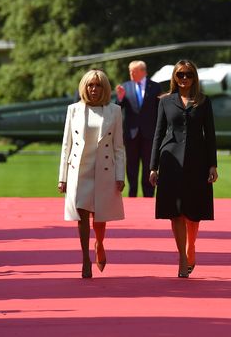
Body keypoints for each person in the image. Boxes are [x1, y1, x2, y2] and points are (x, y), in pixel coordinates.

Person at [149, 60, 217, 278]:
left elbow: (211, 135)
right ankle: (181, 257)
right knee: (176, 212)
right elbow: (158, 134)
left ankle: (191, 246)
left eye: (188, 75)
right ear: (174, 78)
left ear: (194, 77)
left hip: (198, 161)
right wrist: (153, 167)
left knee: (193, 212)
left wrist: (213, 164)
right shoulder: (165, 101)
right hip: (170, 162)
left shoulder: (204, 102)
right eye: (180, 75)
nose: (184, 79)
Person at [58, 69, 125, 279]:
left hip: (104, 169)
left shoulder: (114, 111)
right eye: (90, 86)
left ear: (105, 89)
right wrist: (62, 177)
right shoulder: (74, 110)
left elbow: (118, 147)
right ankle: (85, 259)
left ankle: (100, 243)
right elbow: (66, 145)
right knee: (82, 214)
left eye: (98, 86)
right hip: (79, 169)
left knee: (100, 216)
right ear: (84, 88)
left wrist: (120, 175)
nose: (94, 90)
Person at [115, 60, 160, 197]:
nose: (130, 73)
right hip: (131, 134)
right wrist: (120, 98)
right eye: (130, 71)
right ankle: (132, 194)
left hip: (150, 134)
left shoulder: (155, 87)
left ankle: (148, 195)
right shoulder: (125, 87)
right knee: (131, 167)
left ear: (143, 71)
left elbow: (160, 111)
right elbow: (117, 108)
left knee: (149, 166)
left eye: (133, 71)